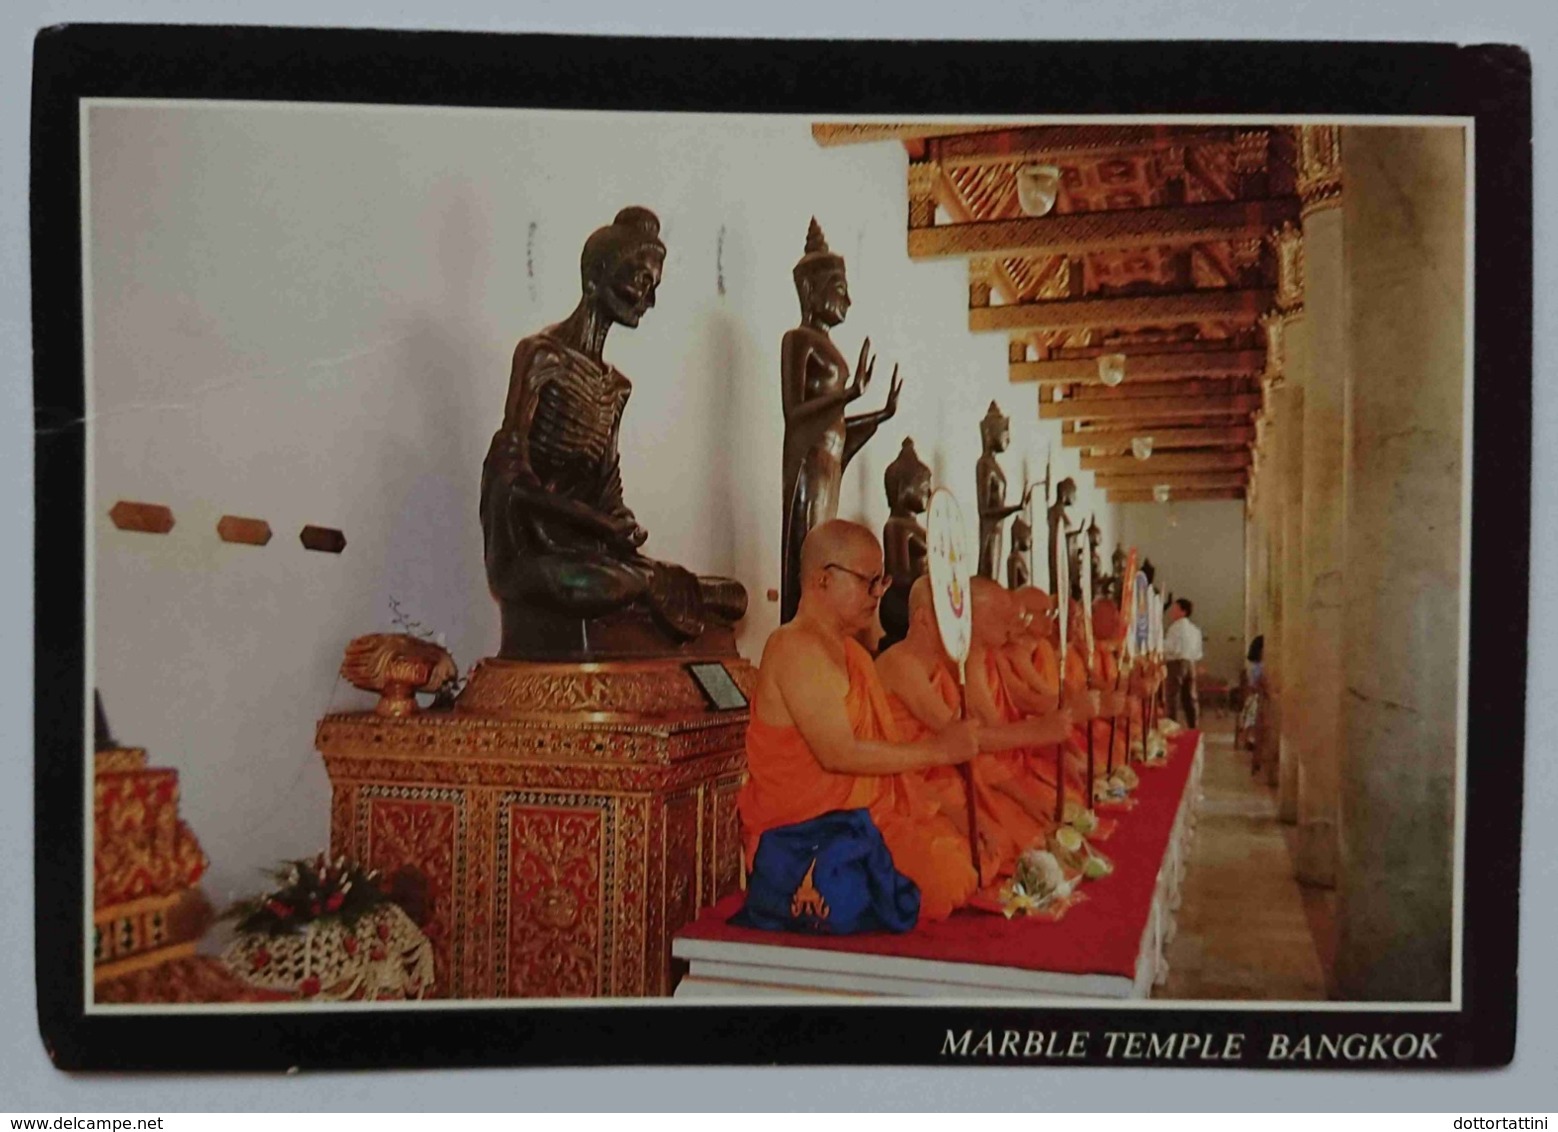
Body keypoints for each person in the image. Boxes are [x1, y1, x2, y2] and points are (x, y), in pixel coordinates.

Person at [739, 519, 979, 921]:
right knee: (943, 880)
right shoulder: (794, 646)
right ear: (822, 580)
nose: (877, 595)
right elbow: (838, 754)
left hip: (861, 822)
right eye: (868, 582)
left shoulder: (856, 656)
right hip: (806, 833)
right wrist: (938, 750)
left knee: (955, 855)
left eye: (880, 583)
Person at [1162, 597, 1203, 729]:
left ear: (1183, 612)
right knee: (1190, 697)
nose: (1172, 612)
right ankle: (1194, 726)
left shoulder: (1176, 628)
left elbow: (1170, 647)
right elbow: (1198, 651)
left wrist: (1156, 644)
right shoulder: (1195, 630)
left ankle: (1171, 725)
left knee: (1172, 697)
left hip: (1176, 663)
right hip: (1190, 663)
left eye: (1175, 609)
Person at [1237, 635, 1266, 765]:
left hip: (1257, 696)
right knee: (1256, 707)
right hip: (1256, 696)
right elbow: (1256, 685)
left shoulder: (1258, 665)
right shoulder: (1257, 666)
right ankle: (1252, 738)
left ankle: (1252, 738)